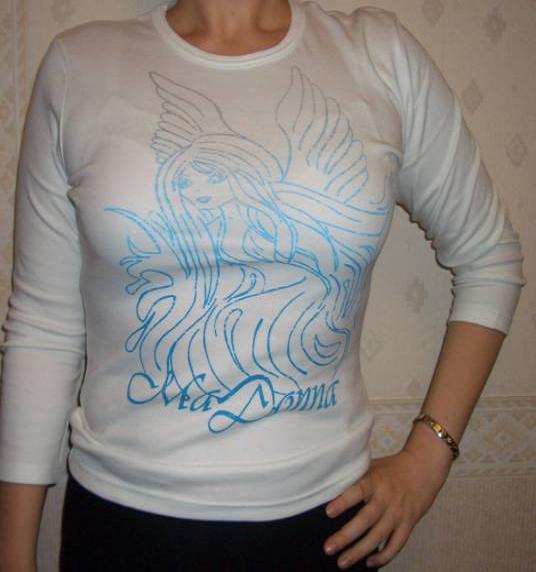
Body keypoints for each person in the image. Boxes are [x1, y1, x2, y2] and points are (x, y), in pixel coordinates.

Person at [0, 0, 526, 570]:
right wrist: (13, 556)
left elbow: (489, 257)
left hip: (326, 529)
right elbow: (43, 327)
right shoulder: (81, 65)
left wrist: (429, 457)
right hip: (124, 527)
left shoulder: (379, 56)